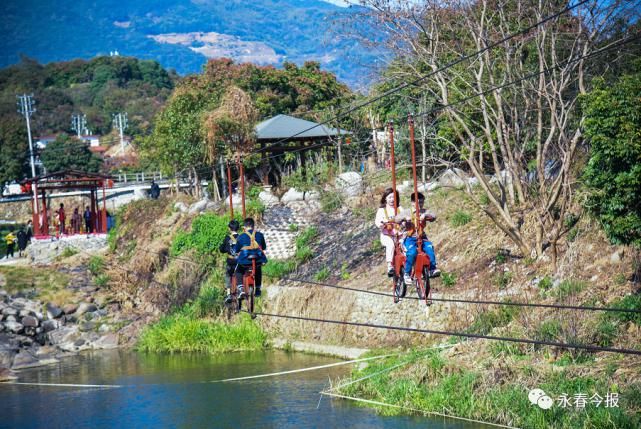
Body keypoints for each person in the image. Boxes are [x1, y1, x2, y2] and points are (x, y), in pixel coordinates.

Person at [398, 192, 440, 284]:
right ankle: (407, 274)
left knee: (429, 248)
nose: (420, 205)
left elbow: (433, 215)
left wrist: (426, 216)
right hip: (410, 237)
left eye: (422, 202)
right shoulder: (407, 212)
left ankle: (432, 268)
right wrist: (405, 218)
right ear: (412, 202)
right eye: (418, 202)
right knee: (412, 252)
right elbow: (397, 219)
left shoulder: (424, 211)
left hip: (421, 236)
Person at [374, 188, 404, 277]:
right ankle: (390, 265)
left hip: (399, 234)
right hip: (387, 235)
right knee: (390, 244)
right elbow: (378, 221)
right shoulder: (382, 210)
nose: (392, 199)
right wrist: (381, 224)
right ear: (385, 198)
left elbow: (405, 216)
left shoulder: (399, 208)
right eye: (390, 197)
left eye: (394, 197)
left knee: (405, 244)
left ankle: (407, 265)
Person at [234, 218, 268, 297]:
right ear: (253, 226)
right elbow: (264, 247)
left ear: (245, 227)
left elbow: (236, 249)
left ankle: (241, 289)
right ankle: (258, 289)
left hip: (244, 260)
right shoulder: (260, 235)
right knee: (258, 269)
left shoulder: (241, 236)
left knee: (238, 270)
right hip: (258, 259)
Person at [219, 220, 240, 303]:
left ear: (229, 229)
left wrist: (224, 249)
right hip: (239, 261)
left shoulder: (227, 238)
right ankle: (240, 288)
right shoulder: (241, 237)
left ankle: (228, 294)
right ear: (238, 228)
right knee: (240, 273)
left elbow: (222, 249)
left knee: (228, 275)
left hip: (231, 261)